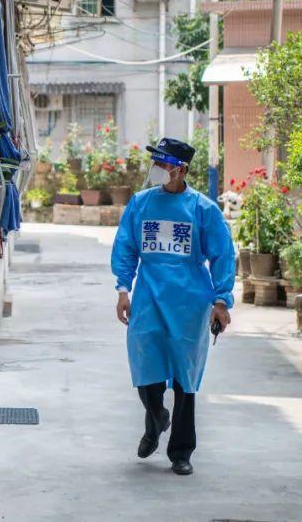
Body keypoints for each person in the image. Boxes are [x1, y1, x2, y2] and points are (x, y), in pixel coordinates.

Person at [110, 137, 235, 476]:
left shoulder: (203, 210)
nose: (157, 170)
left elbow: (222, 256)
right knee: (145, 367)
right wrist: (123, 290)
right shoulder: (140, 204)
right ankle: (156, 418)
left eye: (163, 164)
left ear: (180, 169)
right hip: (149, 296)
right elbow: (125, 247)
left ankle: (181, 451)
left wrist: (221, 300)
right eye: (156, 163)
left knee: (185, 378)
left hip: (189, 302)